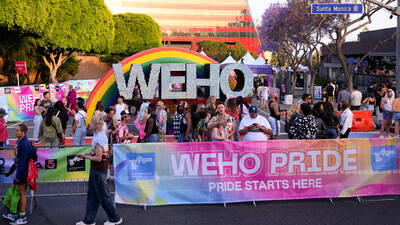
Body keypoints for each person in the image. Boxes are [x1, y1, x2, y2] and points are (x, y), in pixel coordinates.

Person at [76, 116, 122, 225]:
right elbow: (101, 154)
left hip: (98, 170)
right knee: (92, 196)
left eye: (91, 123)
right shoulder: (99, 135)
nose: (89, 124)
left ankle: (115, 218)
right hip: (97, 170)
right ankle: (89, 220)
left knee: (103, 196)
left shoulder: (99, 137)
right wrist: (87, 155)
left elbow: (98, 158)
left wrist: (85, 156)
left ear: (96, 125)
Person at [2, 124, 33, 225]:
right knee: (15, 192)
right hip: (19, 171)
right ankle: (14, 212)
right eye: (15, 130)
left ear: (23, 132)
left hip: (23, 173)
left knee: (21, 194)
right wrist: (11, 171)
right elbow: (17, 160)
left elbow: (23, 163)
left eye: (17, 131)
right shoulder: (19, 141)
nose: (15, 132)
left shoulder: (25, 144)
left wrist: (18, 177)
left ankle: (23, 217)